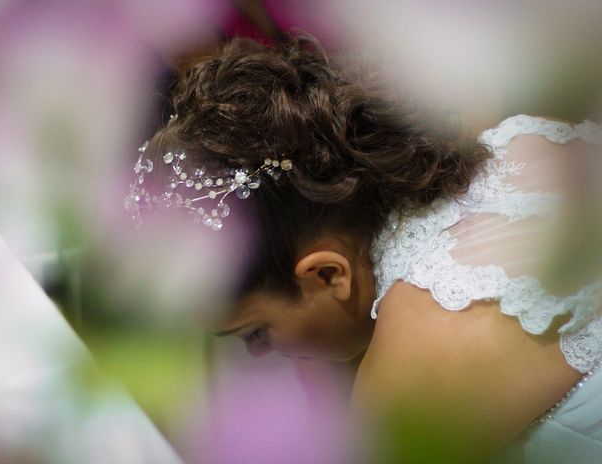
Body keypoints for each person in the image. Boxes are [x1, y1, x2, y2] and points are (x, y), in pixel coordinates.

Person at [125, 33, 602, 463]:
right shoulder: (510, 146)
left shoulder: (409, 379)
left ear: (327, 274)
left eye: (256, 332)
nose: (259, 355)